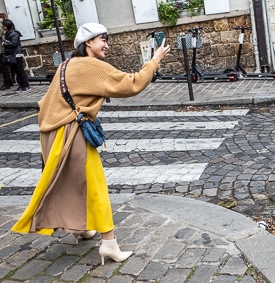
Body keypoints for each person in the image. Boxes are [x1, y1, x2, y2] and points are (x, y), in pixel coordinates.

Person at [11, 22, 170, 265]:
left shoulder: (66, 65)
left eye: (106, 39)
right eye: (101, 39)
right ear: (88, 43)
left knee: (72, 184)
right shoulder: (91, 66)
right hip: (70, 134)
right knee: (95, 185)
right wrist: (155, 60)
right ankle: (109, 243)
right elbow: (132, 84)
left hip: (50, 133)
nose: (106, 44)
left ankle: (81, 228)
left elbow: (44, 102)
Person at [2, 19, 30, 92]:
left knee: (20, 71)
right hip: (12, 54)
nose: (3, 27)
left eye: (4, 26)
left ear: (7, 26)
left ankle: (26, 85)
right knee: (16, 71)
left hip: (16, 54)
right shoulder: (8, 33)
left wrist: (5, 44)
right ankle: (21, 85)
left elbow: (13, 44)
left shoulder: (14, 33)